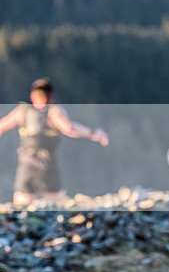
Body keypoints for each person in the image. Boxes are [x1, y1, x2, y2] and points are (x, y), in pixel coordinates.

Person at [0, 78, 109, 206]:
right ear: (51, 97)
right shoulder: (53, 112)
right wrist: (93, 133)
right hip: (47, 169)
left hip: (26, 169)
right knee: (57, 207)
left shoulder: (21, 112)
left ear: (32, 96)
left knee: (20, 209)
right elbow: (69, 128)